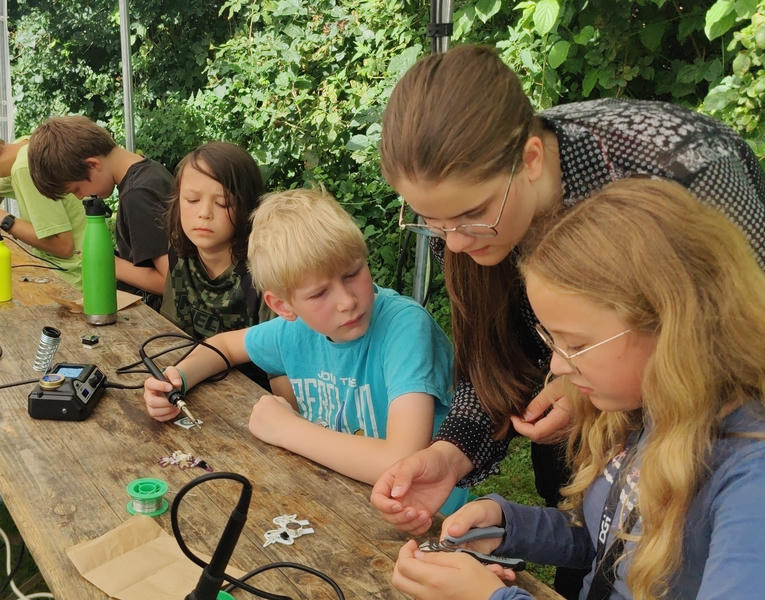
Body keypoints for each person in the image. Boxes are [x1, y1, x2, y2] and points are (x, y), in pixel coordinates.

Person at [370, 44, 765, 599]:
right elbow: (610, 534)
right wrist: (459, 458)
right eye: (432, 222)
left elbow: (762, 325)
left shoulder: (679, 168)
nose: (453, 242)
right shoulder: (471, 223)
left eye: (471, 215)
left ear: (530, 160)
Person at [142, 187, 468, 513]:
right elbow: (224, 345)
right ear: (283, 306)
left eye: (352, 274)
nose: (347, 301)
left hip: (424, 519)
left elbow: (402, 462)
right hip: (338, 501)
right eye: (319, 294)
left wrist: (287, 429)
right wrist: (177, 379)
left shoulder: (405, 327)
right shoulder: (295, 331)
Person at [27, 115, 172, 308]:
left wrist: (109, 263)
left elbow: (169, 282)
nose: (80, 197)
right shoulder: (148, 172)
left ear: (93, 164)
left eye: (76, 189)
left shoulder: (138, 194)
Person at [161, 141, 270, 338]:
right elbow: (171, 331)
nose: (204, 213)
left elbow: (276, 350)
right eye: (192, 200)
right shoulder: (179, 252)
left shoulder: (266, 269)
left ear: (248, 207)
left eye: (223, 203)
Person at [0, 138, 85, 286]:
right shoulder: (25, 146)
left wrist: (4, 219)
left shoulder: (25, 167)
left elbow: (63, 247)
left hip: (73, 279)